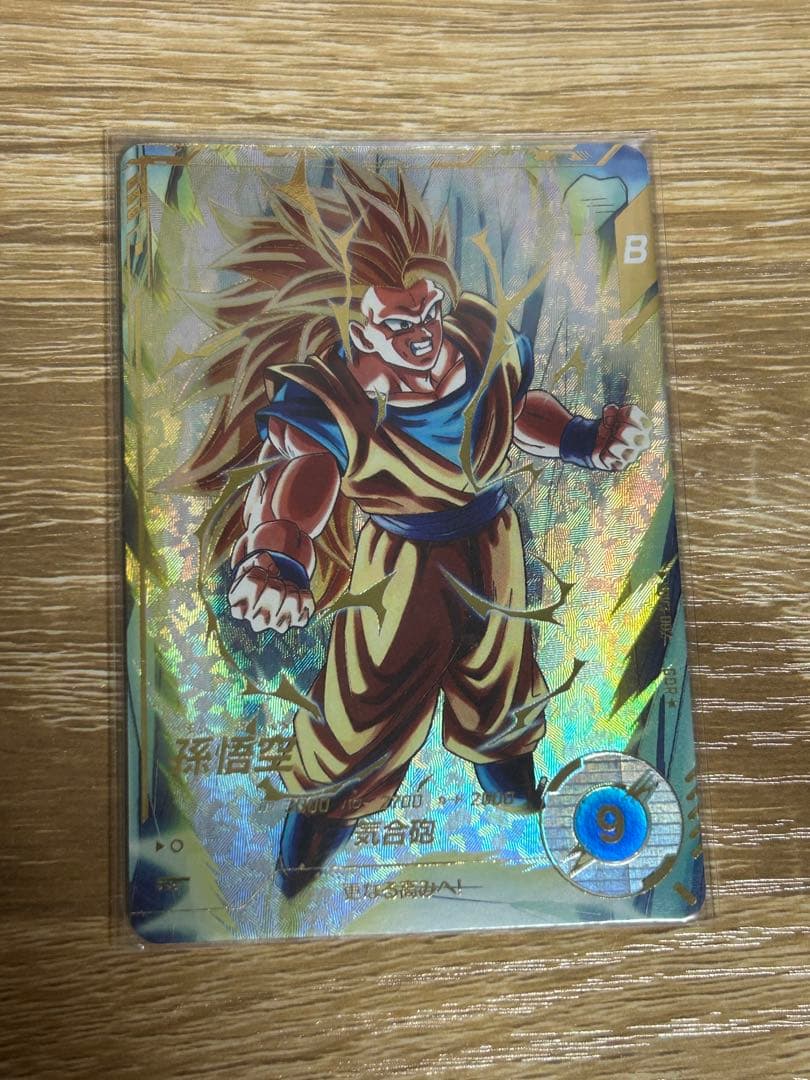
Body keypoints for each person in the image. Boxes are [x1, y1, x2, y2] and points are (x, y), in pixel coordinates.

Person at [184, 161, 651, 896]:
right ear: (357, 326)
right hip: (399, 568)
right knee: (363, 713)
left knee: (501, 678)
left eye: (430, 311)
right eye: (400, 325)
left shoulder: (475, 340)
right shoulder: (335, 393)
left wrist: (580, 440)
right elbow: (306, 475)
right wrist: (281, 558)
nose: (425, 334)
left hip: (493, 544)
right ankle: (316, 836)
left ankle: (508, 781)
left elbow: (511, 410)